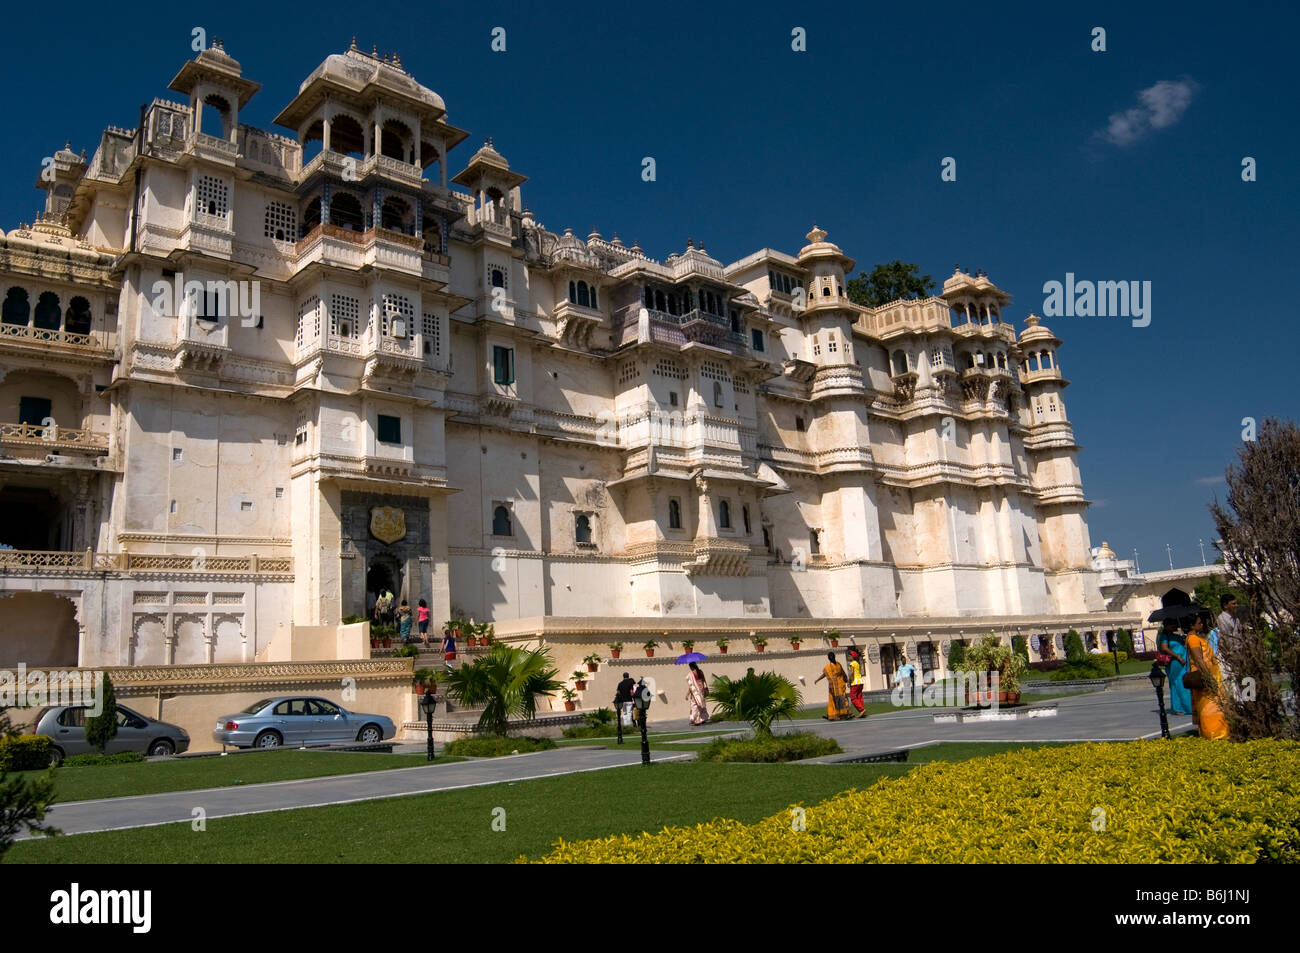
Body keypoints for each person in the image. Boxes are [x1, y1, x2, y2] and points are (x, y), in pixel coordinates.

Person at [1185, 610, 1230, 740]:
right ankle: (1214, 733)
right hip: (1204, 676)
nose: (1202, 625)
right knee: (1209, 705)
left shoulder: (1196, 638)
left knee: (1214, 703)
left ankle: (1219, 730)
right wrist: (1209, 677)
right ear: (1192, 625)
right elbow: (1199, 659)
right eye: (1199, 623)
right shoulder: (1193, 639)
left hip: (1210, 673)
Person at [1157, 617, 1193, 716]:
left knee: (1184, 683)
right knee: (1177, 683)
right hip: (1175, 662)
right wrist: (1177, 656)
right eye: (1171, 624)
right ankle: (1178, 707)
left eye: (1174, 624)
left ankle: (1187, 706)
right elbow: (1164, 648)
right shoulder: (1165, 636)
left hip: (1183, 661)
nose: (1174, 626)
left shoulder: (1176, 636)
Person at [814, 651, 852, 721]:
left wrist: (817, 680)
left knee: (837, 700)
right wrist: (847, 681)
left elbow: (825, 674)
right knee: (841, 699)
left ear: (828, 658)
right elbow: (843, 673)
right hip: (838, 686)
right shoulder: (837, 664)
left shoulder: (831, 666)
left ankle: (841, 714)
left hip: (835, 686)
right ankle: (837, 715)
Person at [847, 648, 867, 717]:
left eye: (849, 656)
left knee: (853, 698)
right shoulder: (857, 663)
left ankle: (861, 709)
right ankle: (862, 711)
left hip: (855, 682)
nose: (848, 657)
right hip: (860, 682)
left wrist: (849, 682)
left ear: (853, 657)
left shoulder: (852, 663)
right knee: (859, 696)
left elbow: (851, 673)